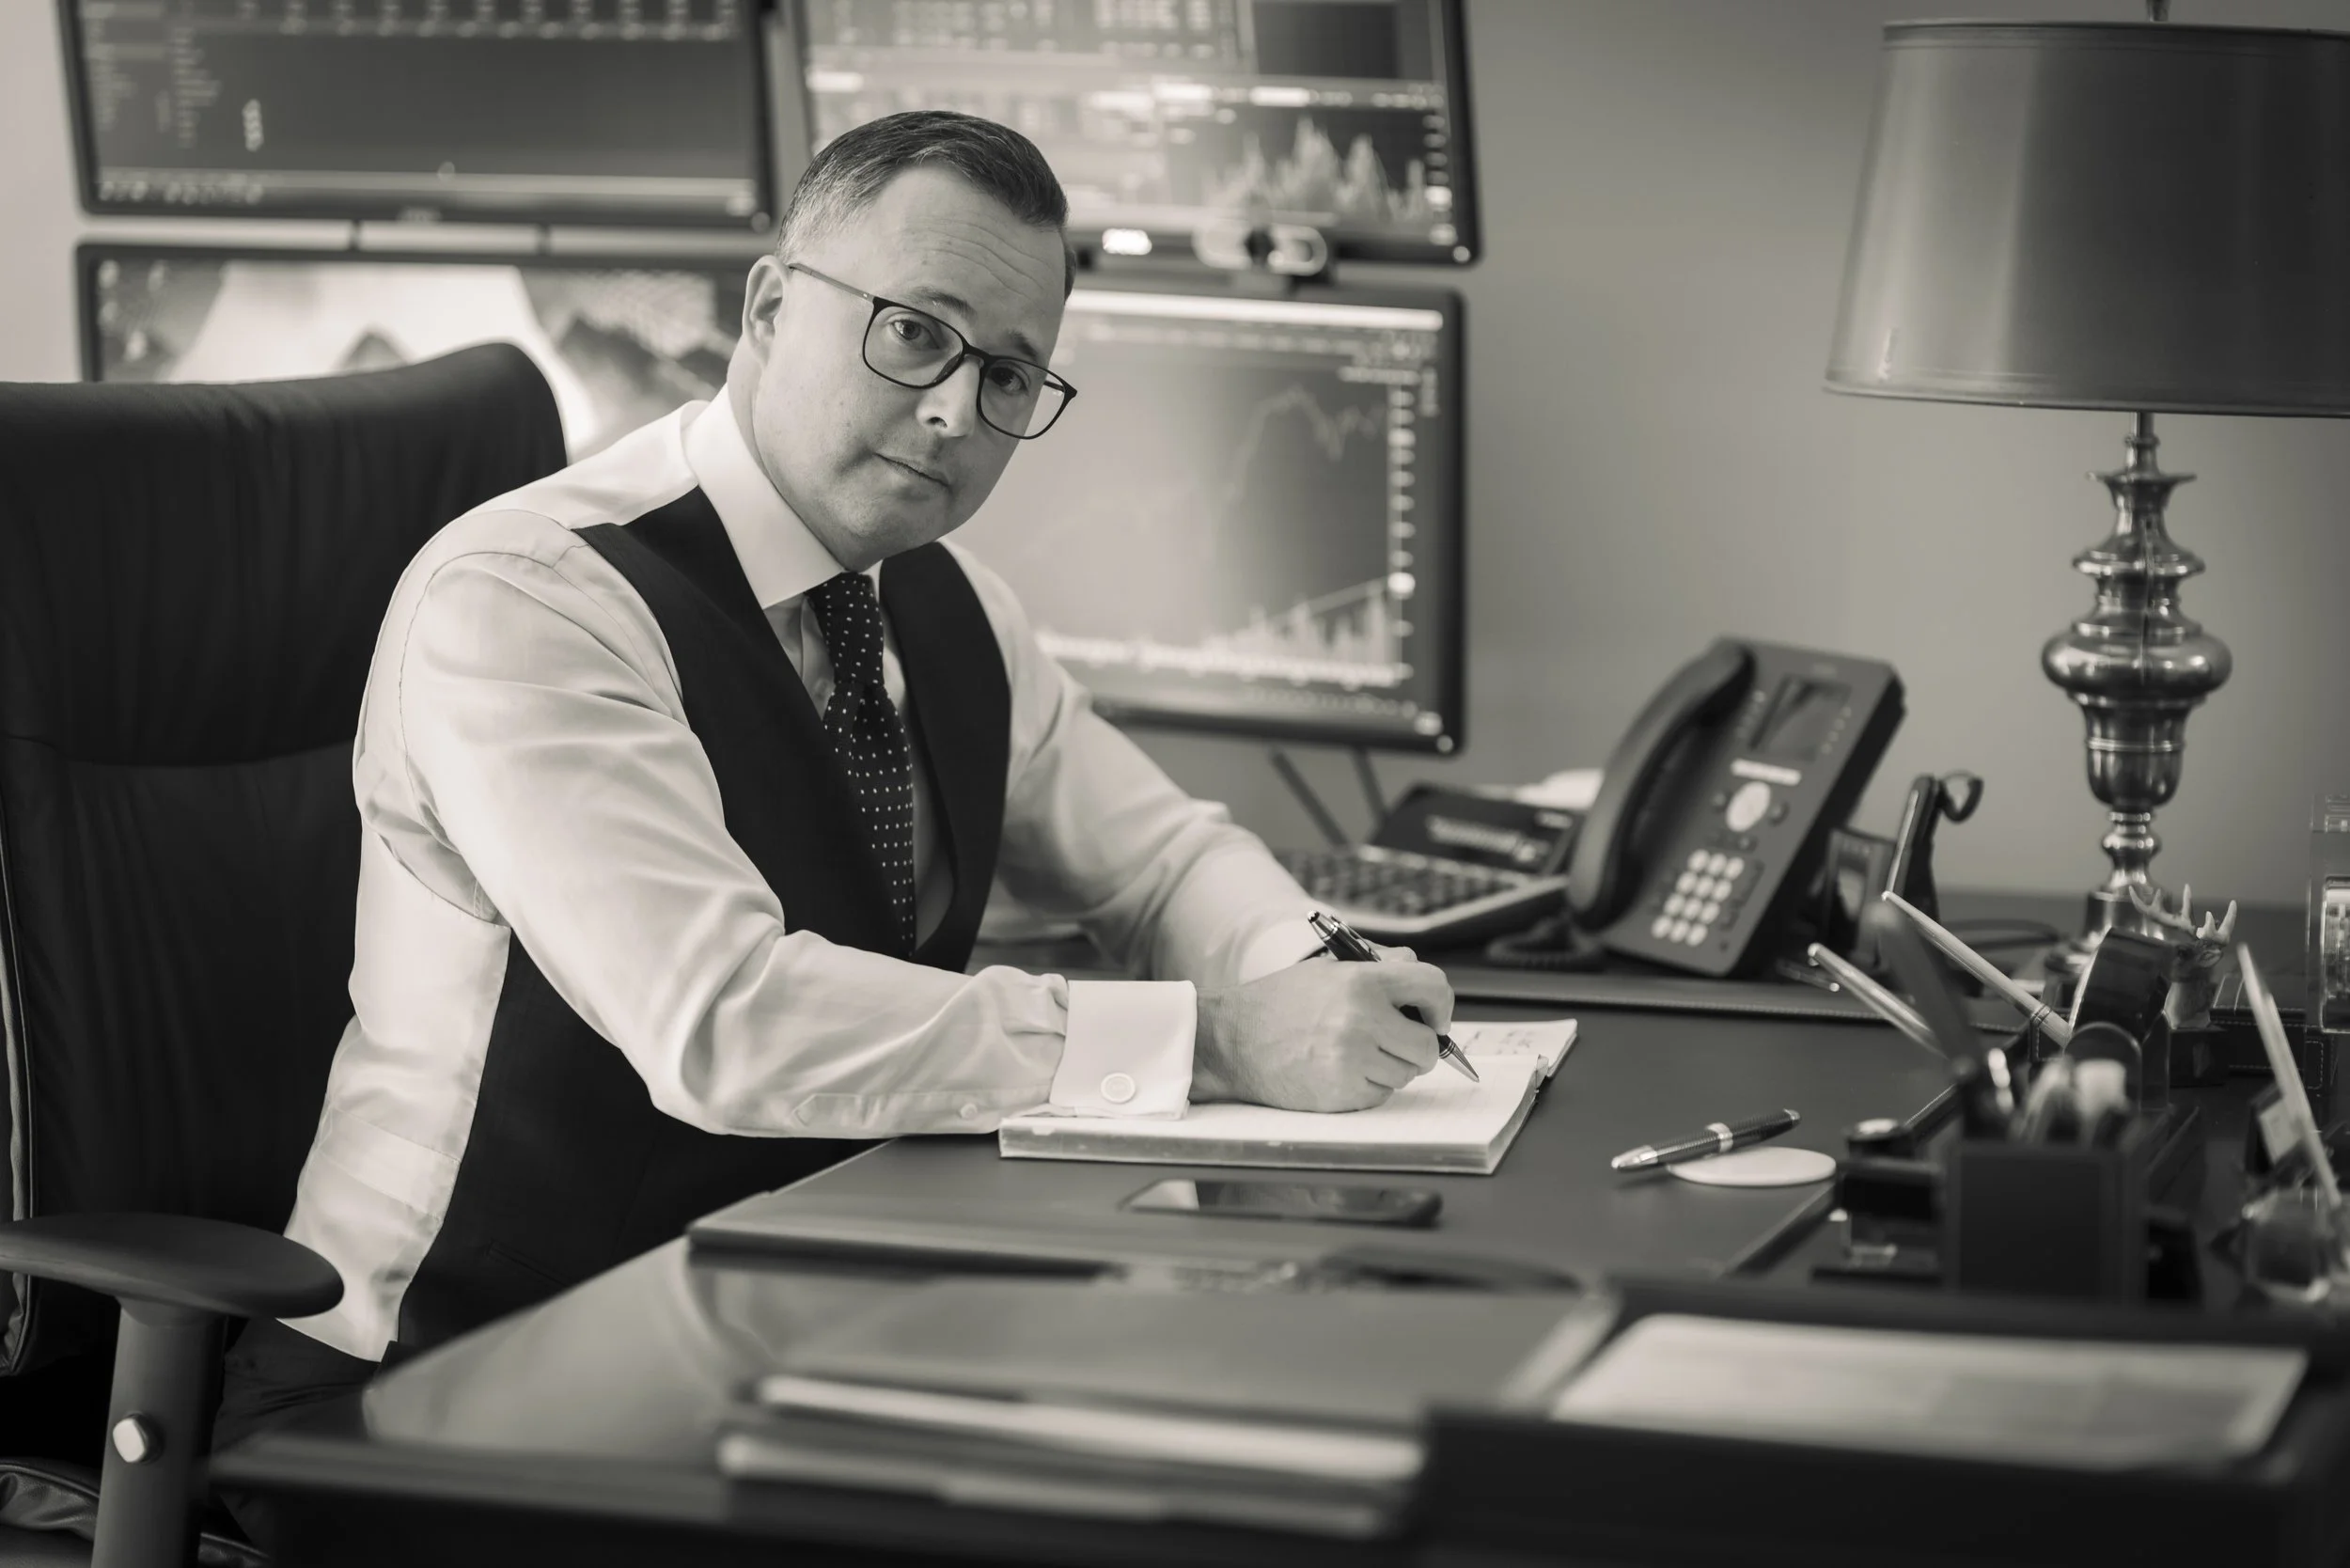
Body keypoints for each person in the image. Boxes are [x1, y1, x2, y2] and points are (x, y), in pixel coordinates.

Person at [212, 108, 1455, 1528]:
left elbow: (1160, 858)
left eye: (1007, 375)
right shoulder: (533, 598)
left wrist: (1304, 975)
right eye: (915, 334)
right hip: (449, 1379)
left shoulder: (942, 601)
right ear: (768, 305)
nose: (952, 413)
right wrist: (1212, 1044)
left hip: (780, 1323)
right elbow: (723, 1021)